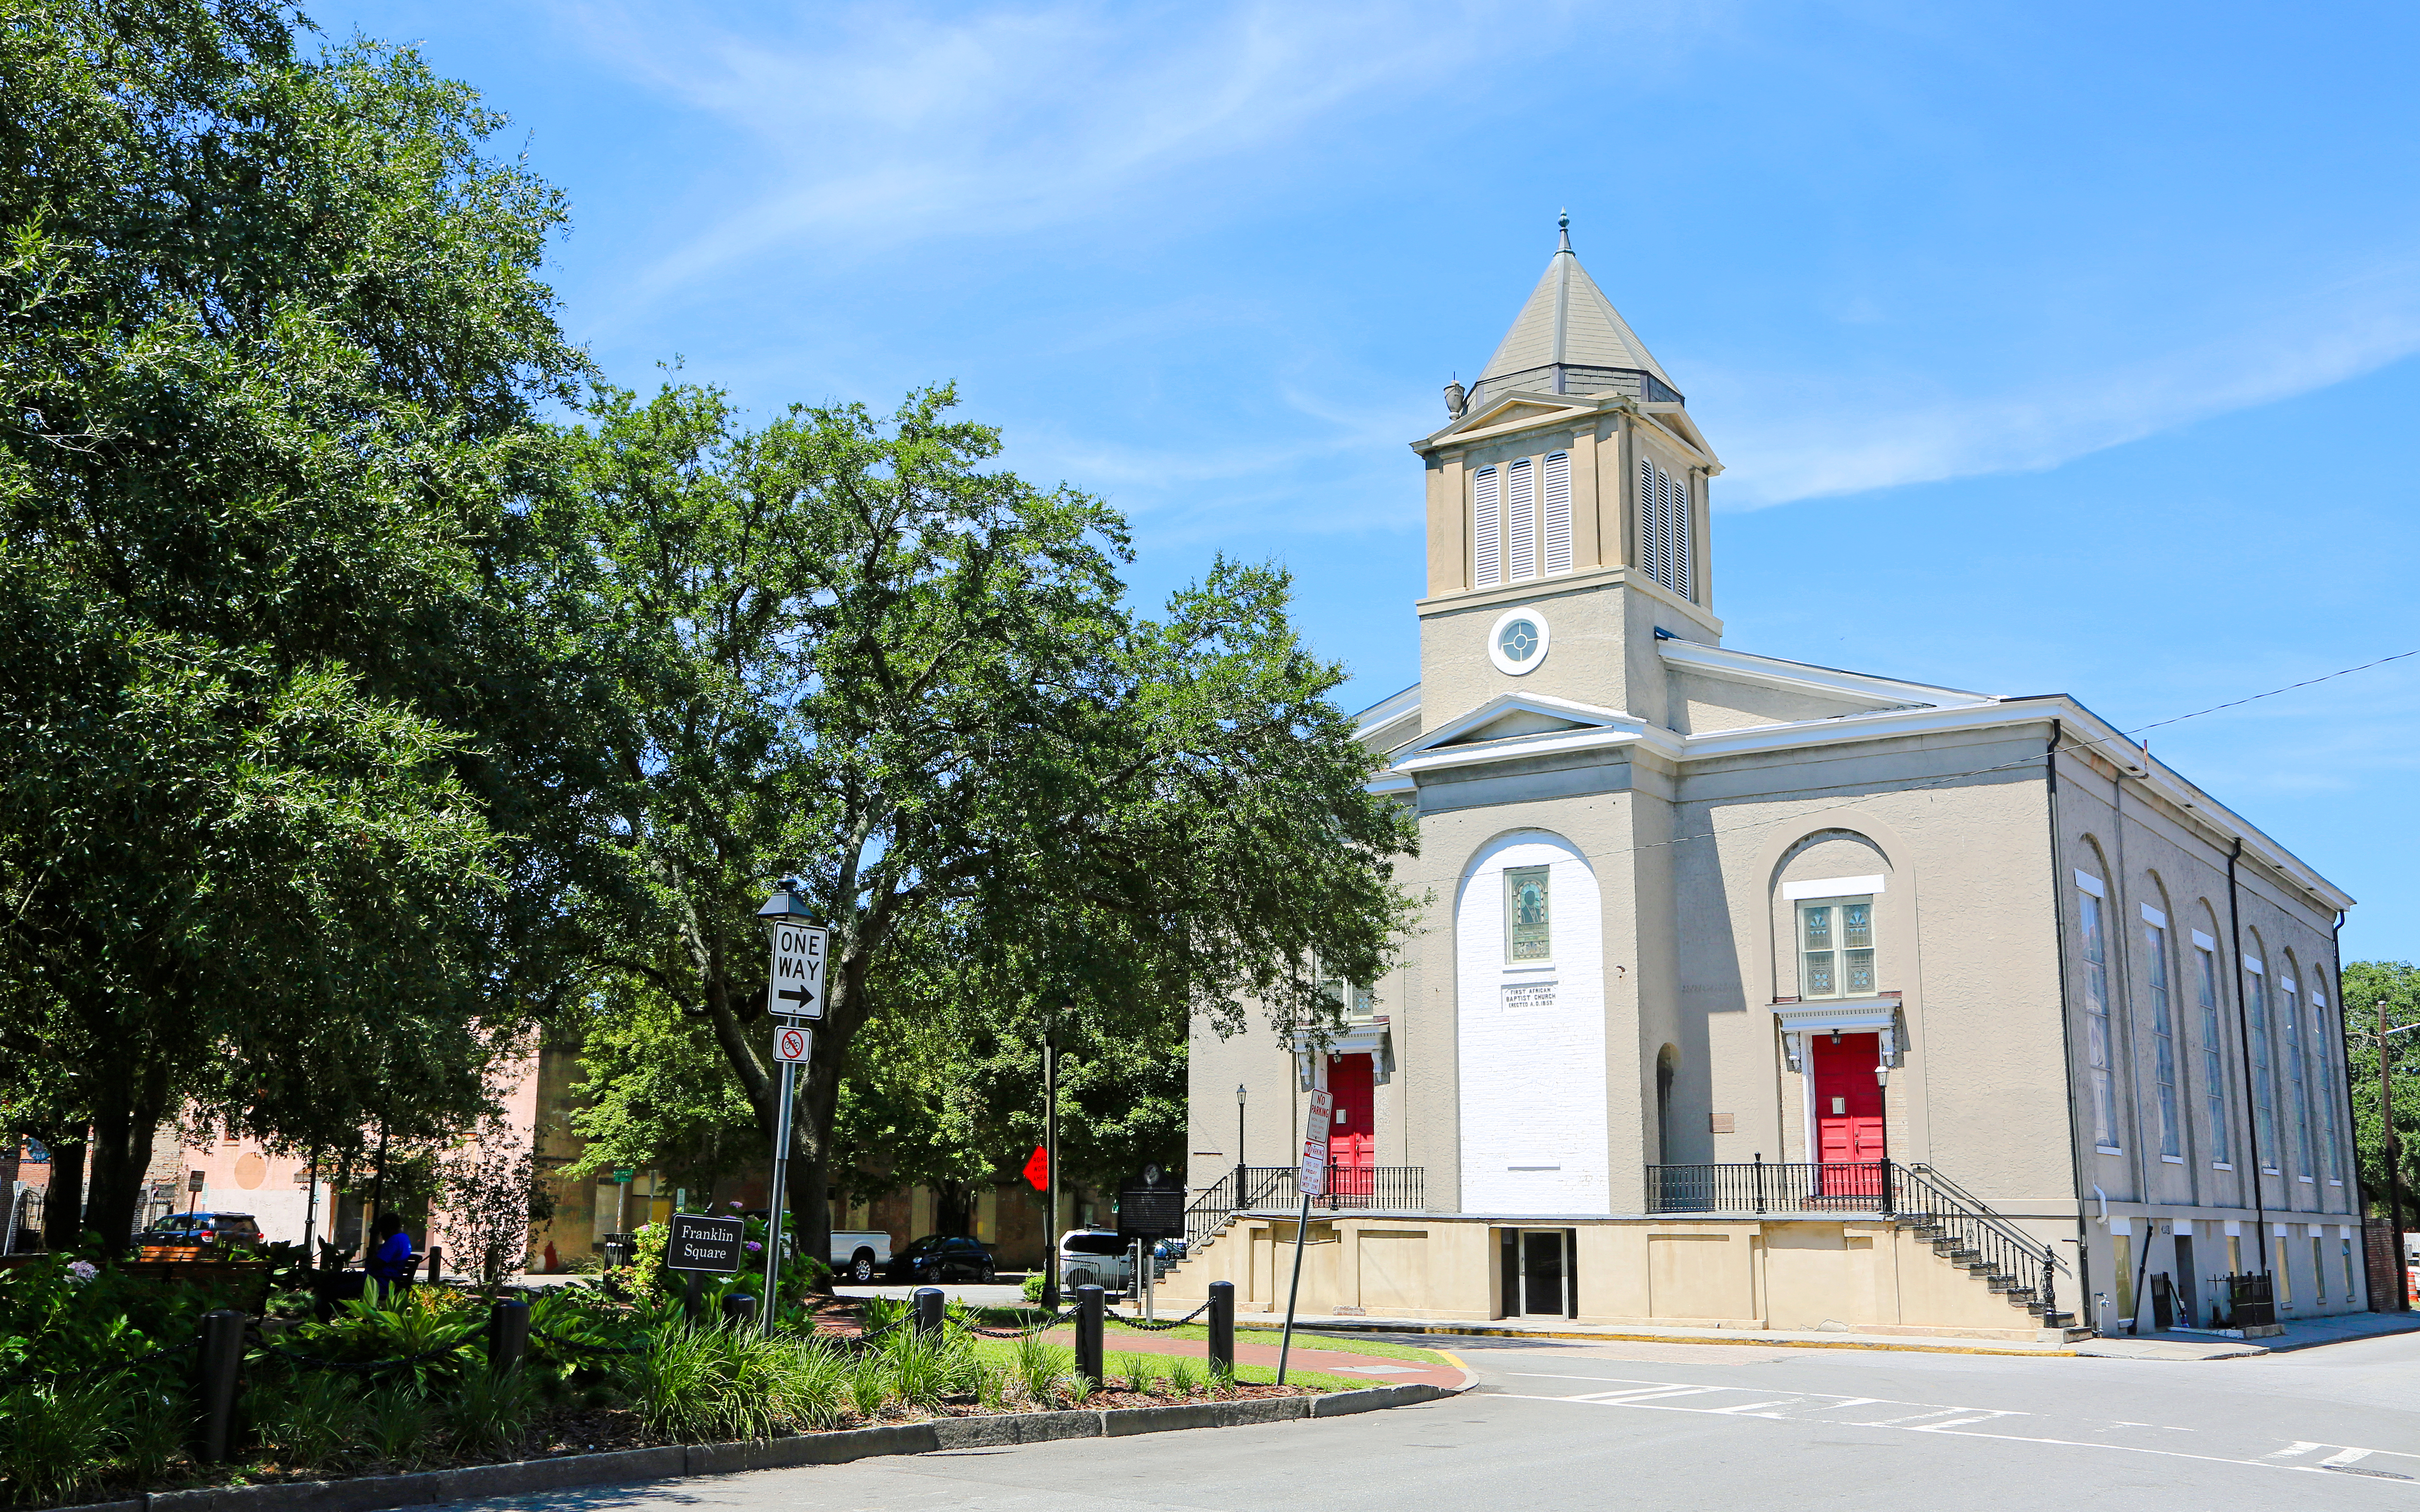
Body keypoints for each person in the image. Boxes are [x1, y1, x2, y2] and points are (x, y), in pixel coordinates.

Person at [366, 1211, 417, 1301]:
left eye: (383, 1230)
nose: (381, 1234)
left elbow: (377, 1264)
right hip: (387, 1279)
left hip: (380, 1282)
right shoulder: (404, 1238)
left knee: (339, 1287)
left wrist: (372, 1254)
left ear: (390, 1229)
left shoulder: (394, 1241)